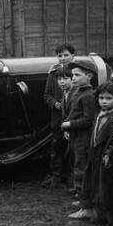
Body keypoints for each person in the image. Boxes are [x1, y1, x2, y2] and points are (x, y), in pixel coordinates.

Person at [73, 82, 113, 223]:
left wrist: (109, 154)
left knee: (104, 186)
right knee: (91, 181)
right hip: (94, 154)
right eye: (101, 98)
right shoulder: (99, 114)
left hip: (106, 157)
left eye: (109, 98)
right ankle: (90, 209)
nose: (104, 102)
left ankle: (103, 215)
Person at [63, 60, 97, 220]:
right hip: (76, 135)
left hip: (83, 138)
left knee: (81, 169)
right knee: (77, 166)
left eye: (77, 75)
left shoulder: (89, 95)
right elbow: (73, 112)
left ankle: (87, 207)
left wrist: (70, 124)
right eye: (73, 75)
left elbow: (88, 120)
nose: (73, 78)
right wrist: (69, 128)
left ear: (89, 76)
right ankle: (83, 199)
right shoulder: (78, 92)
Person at [42, 44, 76, 188]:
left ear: (73, 56)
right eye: (60, 55)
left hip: (74, 117)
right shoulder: (53, 73)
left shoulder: (77, 73)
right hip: (58, 118)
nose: (63, 58)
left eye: (66, 55)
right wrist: (55, 104)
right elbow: (47, 94)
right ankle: (55, 176)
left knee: (74, 148)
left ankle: (72, 177)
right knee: (57, 147)